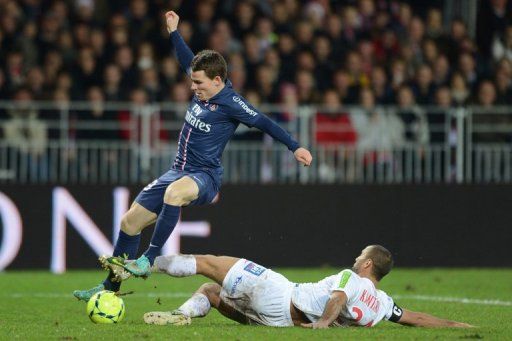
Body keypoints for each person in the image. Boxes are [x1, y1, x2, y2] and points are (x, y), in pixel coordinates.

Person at [72, 11, 312, 302]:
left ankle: (148, 259)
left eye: (198, 83)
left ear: (217, 79)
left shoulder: (232, 103)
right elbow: (186, 58)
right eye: (192, 81)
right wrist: (174, 31)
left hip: (204, 176)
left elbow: (265, 122)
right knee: (129, 223)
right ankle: (110, 287)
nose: (192, 87)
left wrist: (295, 146)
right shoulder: (203, 87)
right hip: (176, 170)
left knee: (174, 194)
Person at [142, 245, 472, 328]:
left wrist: (325, 323)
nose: (356, 259)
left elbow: (339, 296)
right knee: (211, 292)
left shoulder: (350, 277)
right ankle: (181, 315)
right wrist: (457, 324)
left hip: (280, 293)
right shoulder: (383, 303)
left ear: (368, 264)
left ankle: (142, 265)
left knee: (207, 262)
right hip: (280, 321)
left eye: (361, 256)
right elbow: (415, 318)